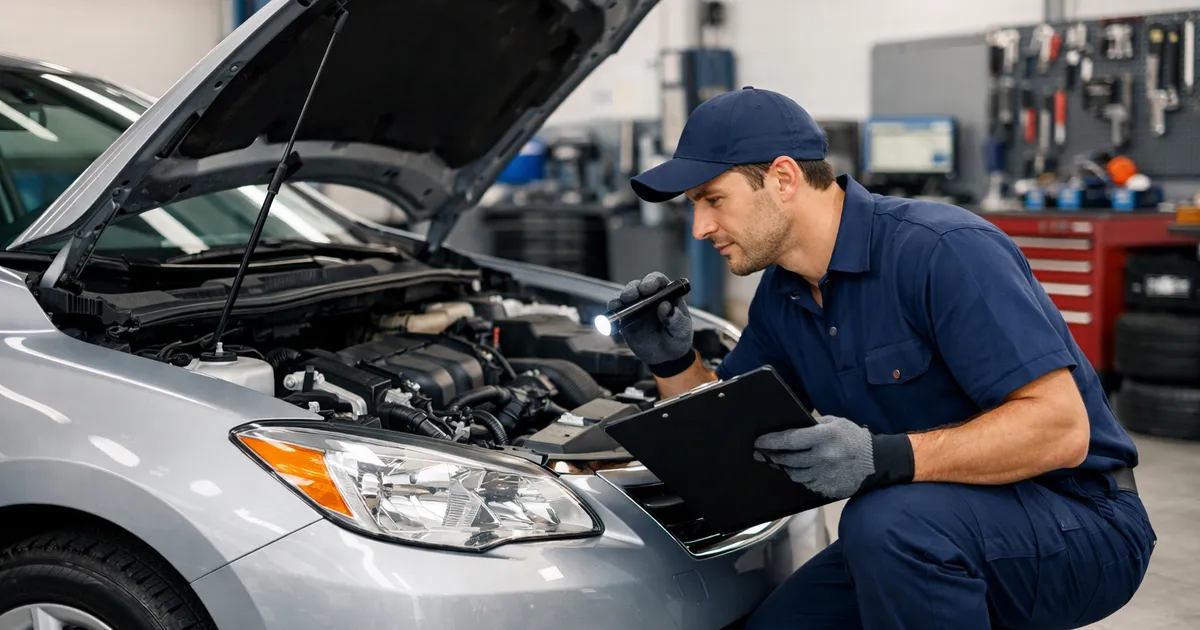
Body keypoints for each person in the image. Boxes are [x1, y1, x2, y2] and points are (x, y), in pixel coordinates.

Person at [609, 86, 1156, 629]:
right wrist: (674, 363)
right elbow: (726, 439)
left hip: (1080, 519)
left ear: (782, 178)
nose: (701, 228)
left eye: (712, 199)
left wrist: (884, 457)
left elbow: (1060, 429)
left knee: (882, 520)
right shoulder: (783, 295)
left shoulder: (943, 250)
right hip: (925, 525)